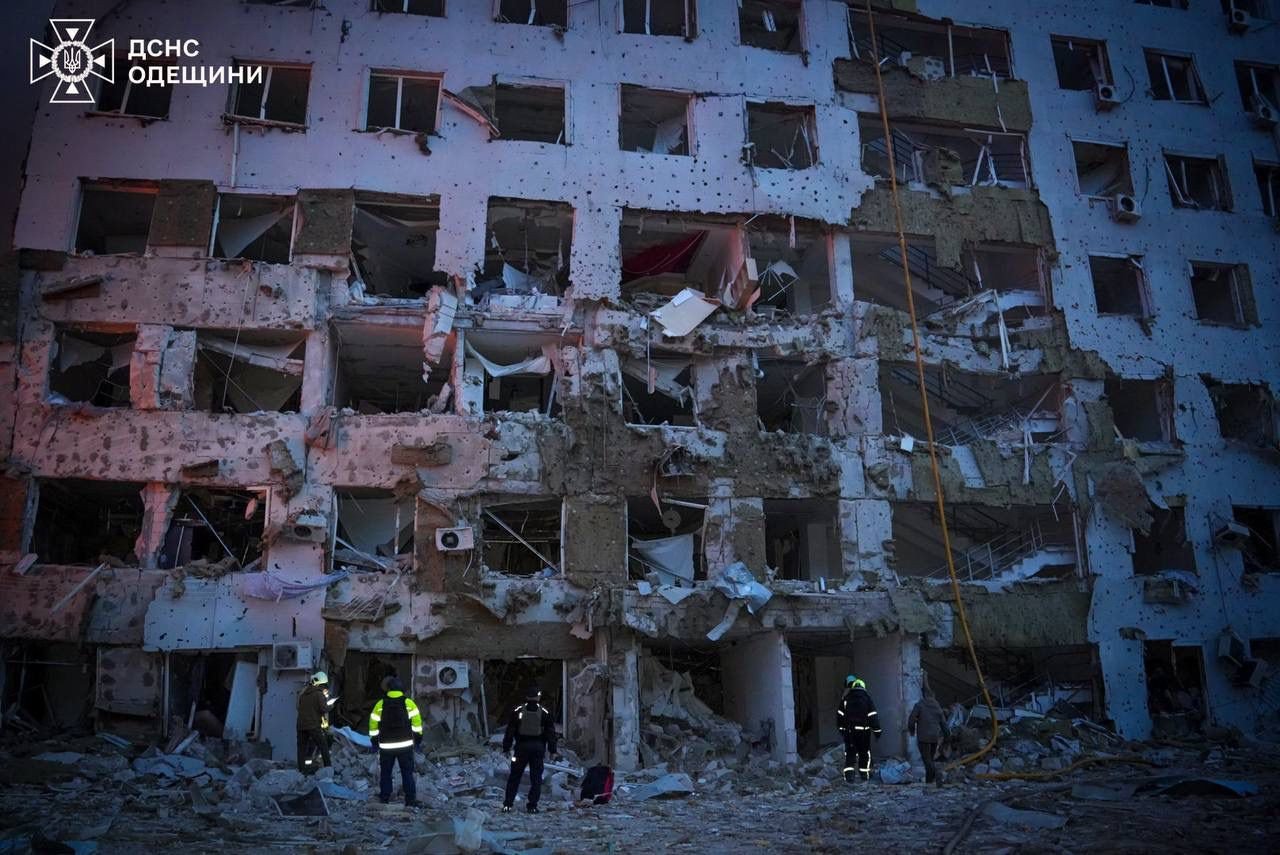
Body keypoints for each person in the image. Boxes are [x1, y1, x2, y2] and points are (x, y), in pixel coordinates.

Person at [502, 684, 558, 813]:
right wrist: (553, 751)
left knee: (515, 776)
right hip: (538, 749)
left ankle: (508, 805)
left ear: (526, 696)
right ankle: (532, 806)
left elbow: (510, 731)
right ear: (538, 697)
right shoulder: (545, 712)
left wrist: (506, 748)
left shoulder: (518, 711)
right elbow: (550, 733)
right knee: (536, 778)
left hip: (521, 748)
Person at [368, 677, 424, 807]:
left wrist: (374, 742)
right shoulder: (409, 703)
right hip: (405, 746)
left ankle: (384, 799)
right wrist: (417, 740)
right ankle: (410, 801)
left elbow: (373, 724)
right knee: (407, 773)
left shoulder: (380, 704)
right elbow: (417, 724)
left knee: (386, 774)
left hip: (386, 747)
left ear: (388, 689)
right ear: (401, 689)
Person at [836, 675, 881, 782]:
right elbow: (873, 716)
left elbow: (840, 715)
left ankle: (849, 777)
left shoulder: (846, 699)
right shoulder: (867, 699)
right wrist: (877, 731)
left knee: (850, 753)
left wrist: (842, 729)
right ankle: (864, 776)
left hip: (850, 731)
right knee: (864, 753)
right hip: (864, 732)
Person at [908, 685, 948, 786]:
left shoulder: (920, 704)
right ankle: (929, 782)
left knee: (927, 760)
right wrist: (947, 737)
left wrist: (912, 731)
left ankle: (936, 774)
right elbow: (944, 724)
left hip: (923, 737)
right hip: (934, 737)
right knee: (930, 759)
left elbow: (911, 719)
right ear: (933, 695)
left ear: (924, 695)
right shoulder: (937, 706)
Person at [296, 671, 331, 774]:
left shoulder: (303, 694)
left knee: (302, 748)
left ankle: (302, 770)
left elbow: (298, 707)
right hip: (313, 726)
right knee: (323, 746)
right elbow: (324, 709)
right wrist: (331, 705)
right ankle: (328, 768)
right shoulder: (318, 694)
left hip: (301, 726)